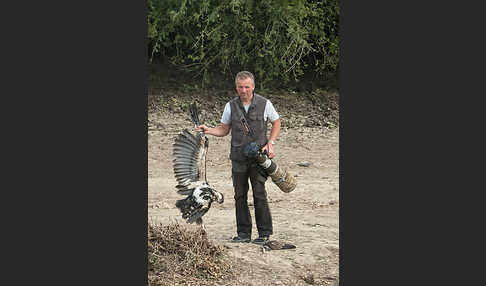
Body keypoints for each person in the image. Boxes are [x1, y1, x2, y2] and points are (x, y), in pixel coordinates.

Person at [196, 71, 281, 244]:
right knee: (239, 195)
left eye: (247, 87)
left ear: (253, 87)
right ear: (236, 87)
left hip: (259, 158)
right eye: (240, 87)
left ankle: (264, 233)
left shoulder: (265, 104)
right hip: (238, 157)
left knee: (259, 194)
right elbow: (223, 129)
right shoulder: (230, 106)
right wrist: (208, 130)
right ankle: (243, 234)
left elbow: (277, 122)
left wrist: (270, 142)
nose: (243, 90)